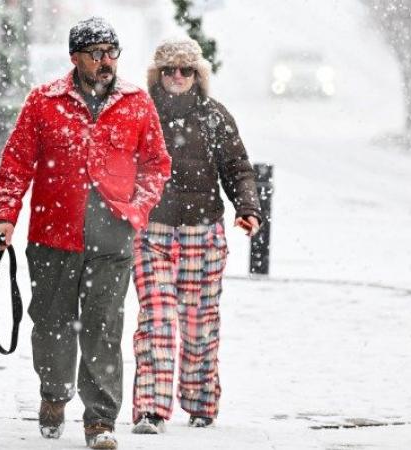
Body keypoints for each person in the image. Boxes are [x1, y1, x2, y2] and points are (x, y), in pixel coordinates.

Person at [0, 17, 171, 449]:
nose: (105, 61)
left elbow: (156, 165)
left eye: (111, 53)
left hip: (112, 239)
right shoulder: (44, 102)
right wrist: (5, 216)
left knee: (103, 328)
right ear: (75, 57)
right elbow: (16, 164)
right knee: (50, 326)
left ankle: (100, 420)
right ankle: (53, 395)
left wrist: (137, 209)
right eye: (96, 53)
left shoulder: (136, 104)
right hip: (53, 238)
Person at [130, 38, 262, 434]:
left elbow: (238, 168)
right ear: (158, 74)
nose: (177, 77)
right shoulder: (140, 113)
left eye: (185, 70)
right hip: (151, 231)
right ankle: (151, 408)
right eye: (169, 69)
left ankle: (201, 401)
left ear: (197, 75)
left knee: (199, 322)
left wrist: (249, 208)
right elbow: (117, 164)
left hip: (202, 234)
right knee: (156, 319)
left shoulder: (214, 117)